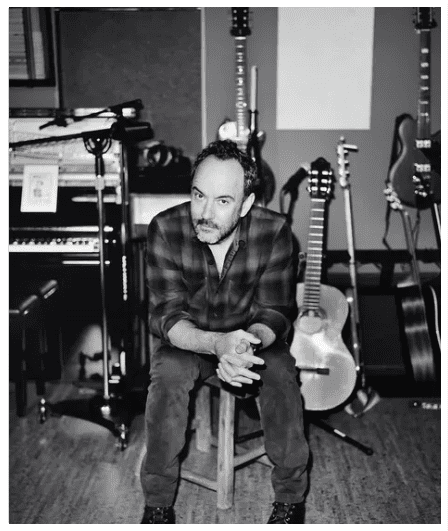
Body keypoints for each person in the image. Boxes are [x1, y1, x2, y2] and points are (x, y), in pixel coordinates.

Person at [140, 140, 309, 524]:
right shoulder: (165, 229)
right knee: (167, 377)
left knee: (281, 375)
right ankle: (157, 503)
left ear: (246, 204)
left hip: (251, 339)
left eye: (222, 201)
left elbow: (277, 311)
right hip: (190, 339)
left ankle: (290, 497)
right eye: (199, 195)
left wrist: (244, 346)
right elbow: (165, 316)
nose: (205, 213)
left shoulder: (276, 231)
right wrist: (217, 345)